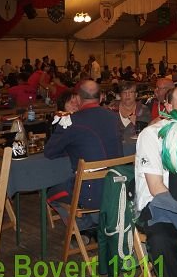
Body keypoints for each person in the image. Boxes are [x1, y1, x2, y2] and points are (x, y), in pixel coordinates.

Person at [135, 86, 177, 277]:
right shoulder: (151, 135)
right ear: (168, 107)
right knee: (160, 241)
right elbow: (156, 188)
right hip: (156, 205)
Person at [44, 80, 123, 228]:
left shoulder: (71, 122)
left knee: (51, 193)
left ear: (79, 98)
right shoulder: (113, 117)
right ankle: (95, 224)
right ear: (101, 97)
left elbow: (50, 152)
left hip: (90, 193)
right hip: (117, 186)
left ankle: (86, 227)